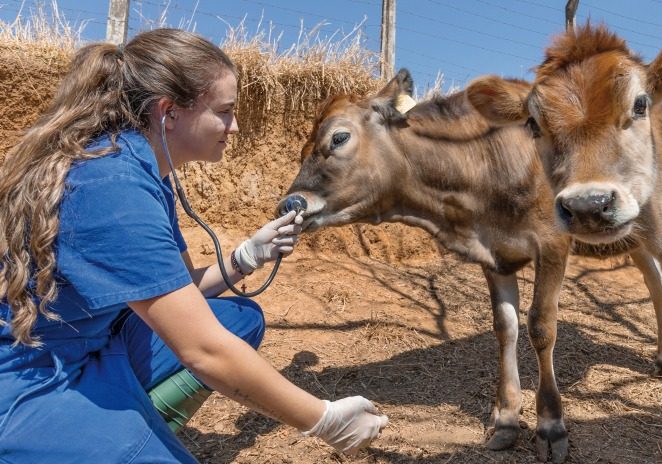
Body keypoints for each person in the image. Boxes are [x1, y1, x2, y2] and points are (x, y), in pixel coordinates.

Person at [0, 28, 388, 462]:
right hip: (30, 372)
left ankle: (128, 423)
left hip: (91, 336)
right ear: (169, 112)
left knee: (239, 319)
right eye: (224, 112)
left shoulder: (143, 169)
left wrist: (246, 257)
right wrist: (324, 418)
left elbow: (178, 288)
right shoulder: (114, 187)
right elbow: (202, 350)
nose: (234, 126)